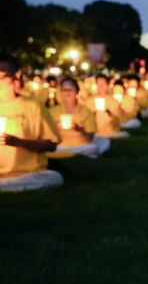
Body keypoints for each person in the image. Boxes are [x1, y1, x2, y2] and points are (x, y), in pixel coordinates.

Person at [0, 54, 63, 192]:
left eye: (2, 75)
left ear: (15, 77)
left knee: (54, 177)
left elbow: (51, 145)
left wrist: (19, 143)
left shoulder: (33, 106)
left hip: (28, 173)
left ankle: (8, 186)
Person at [47, 77, 110, 158]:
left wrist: (78, 128)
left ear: (77, 92)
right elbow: (48, 137)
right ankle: (71, 153)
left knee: (93, 147)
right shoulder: (53, 111)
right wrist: (56, 128)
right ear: (61, 92)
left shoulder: (86, 112)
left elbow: (90, 138)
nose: (68, 93)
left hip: (81, 145)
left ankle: (69, 153)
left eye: (71, 89)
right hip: (60, 145)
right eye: (65, 90)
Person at [85, 74, 128, 139]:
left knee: (124, 134)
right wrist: (93, 114)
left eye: (103, 84)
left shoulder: (113, 101)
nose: (101, 86)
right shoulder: (89, 101)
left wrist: (109, 113)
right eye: (99, 84)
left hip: (110, 131)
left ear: (107, 85)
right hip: (94, 131)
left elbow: (118, 120)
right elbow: (85, 119)